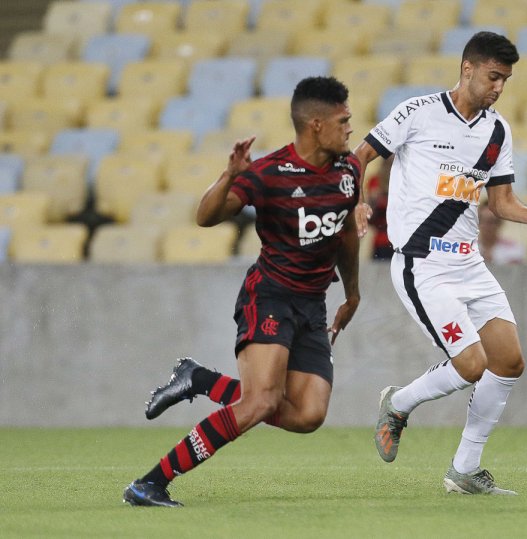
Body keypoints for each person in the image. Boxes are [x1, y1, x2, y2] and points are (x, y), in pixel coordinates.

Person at [351, 32, 527, 495]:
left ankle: (465, 471)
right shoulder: (417, 112)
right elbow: (362, 156)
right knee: (472, 363)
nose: (498, 87)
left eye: (506, 80)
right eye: (494, 76)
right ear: (468, 68)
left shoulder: (498, 131)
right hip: (422, 264)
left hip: (469, 265)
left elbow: (501, 202)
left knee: (509, 361)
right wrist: (355, 201)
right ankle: (399, 404)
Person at [123, 76, 362, 507]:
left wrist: (353, 292)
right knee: (263, 402)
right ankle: (151, 482)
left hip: (313, 304)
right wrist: (229, 174)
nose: (350, 128)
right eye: (343, 120)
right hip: (268, 296)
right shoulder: (271, 173)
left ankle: (199, 379)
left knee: (308, 415)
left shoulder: (349, 171)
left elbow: (345, 231)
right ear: (315, 125)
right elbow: (205, 217)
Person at [478, 198, 527, 265]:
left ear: (500, 224)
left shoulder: (514, 249)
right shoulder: (467, 249)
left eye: (492, 222)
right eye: (484, 221)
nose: (488, 227)